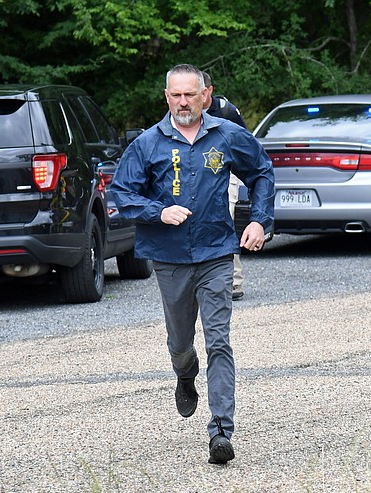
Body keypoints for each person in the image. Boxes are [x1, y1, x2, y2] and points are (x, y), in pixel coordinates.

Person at [110, 63, 275, 465]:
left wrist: (259, 220)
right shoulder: (148, 144)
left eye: (190, 94)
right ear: (166, 97)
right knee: (180, 342)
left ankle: (220, 430)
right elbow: (121, 192)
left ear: (206, 94)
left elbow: (263, 173)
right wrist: (158, 211)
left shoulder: (228, 135)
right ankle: (185, 373)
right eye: (175, 95)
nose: (183, 102)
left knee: (219, 340)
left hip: (217, 252)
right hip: (169, 260)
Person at [200, 70, 247, 301]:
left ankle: (234, 282)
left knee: (225, 220)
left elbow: (245, 145)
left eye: (196, 91)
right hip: (196, 176)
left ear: (208, 90)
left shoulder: (227, 111)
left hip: (226, 173)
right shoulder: (185, 111)